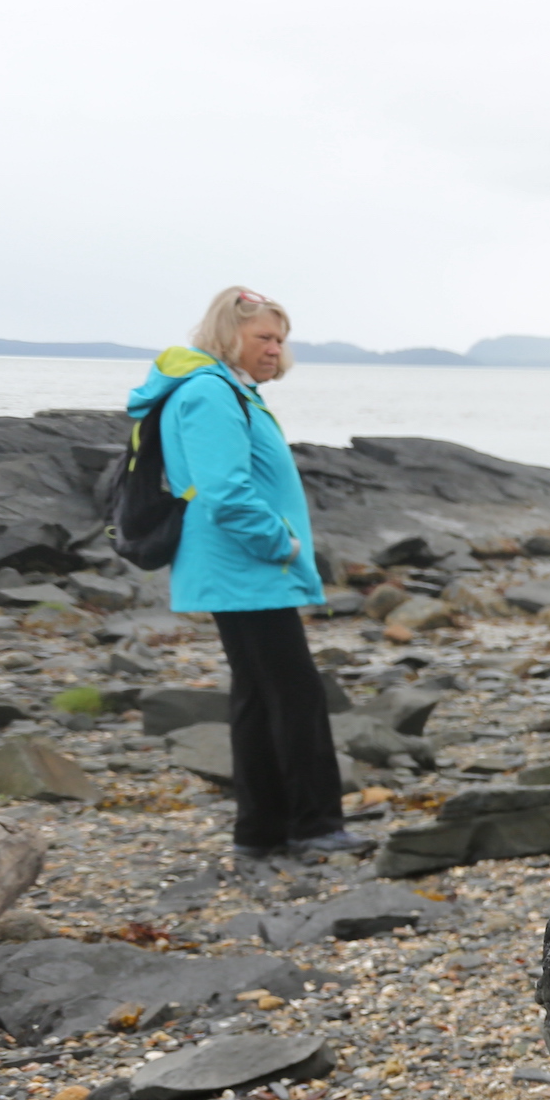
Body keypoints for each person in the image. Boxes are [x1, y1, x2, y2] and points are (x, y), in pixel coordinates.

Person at [128, 287, 366, 860]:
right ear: (227, 334)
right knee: (294, 693)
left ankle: (262, 830)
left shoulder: (225, 389)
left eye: (280, 339)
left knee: (259, 696)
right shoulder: (210, 392)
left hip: (240, 568)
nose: (275, 348)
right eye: (264, 336)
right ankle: (314, 825)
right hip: (245, 567)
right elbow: (225, 492)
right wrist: (281, 545)